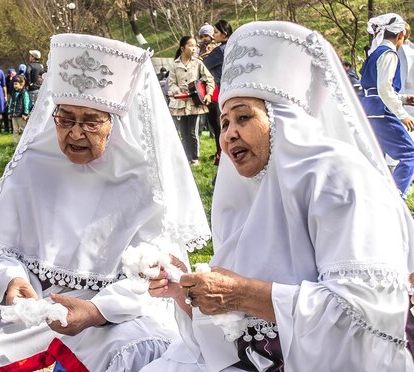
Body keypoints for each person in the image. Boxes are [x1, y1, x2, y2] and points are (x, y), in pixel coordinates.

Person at [142, 21, 414, 371]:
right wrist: (188, 293)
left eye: (243, 117)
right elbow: (239, 327)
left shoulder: (338, 176)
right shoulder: (246, 191)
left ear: (283, 119)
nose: (229, 136)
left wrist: (241, 294)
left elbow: (362, 319)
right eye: (224, 124)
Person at [0, 33, 210, 371]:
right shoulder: (33, 166)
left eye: (91, 121)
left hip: (117, 315)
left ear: (115, 123)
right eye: (65, 119)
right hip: (42, 309)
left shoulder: (145, 181)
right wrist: (12, 282)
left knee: (134, 350)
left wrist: (97, 311)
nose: (75, 134)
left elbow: (158, 273)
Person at [360, 14, 414, 198]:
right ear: (400, 35)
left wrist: (405, 99)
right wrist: (402, 114)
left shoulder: (374, 54)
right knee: (409, 154)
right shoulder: (389, 54)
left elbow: (374, 87)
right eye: (404, 39)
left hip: (368, 110)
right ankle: (396, 199)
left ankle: (373, 196)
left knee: (377, 159)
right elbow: (384, 88)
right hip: (381, 112)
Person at [167, 35, 215, 165]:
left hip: (195, 102)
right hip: (180, 103)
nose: (194, 48)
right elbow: (171, 83)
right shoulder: (174, 65)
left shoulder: (198, 63)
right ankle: (185, 158)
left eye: (195, 46)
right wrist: (178, 91)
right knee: (183, 132)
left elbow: (209, 79)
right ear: (183, 48)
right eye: (190, 45)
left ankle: (194, 158)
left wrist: (208, 94)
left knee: (193, 131)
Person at [203, 20, 233, 166]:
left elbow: (203, 66)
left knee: (218, 126)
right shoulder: (233, 47)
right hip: (229, 91)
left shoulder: (219, 51)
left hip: (217, 92)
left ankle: (220, 156)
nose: (213, 35)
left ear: (224, 34)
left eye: (215, 32)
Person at [7, 75, 30, 143]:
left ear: (22, 84)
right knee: (15, 129)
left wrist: (25, 113)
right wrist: (9, 112)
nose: (15, 86)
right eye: (14, 84)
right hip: (14, 114)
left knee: (22, 129)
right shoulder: (13, 93)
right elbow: (11, 103)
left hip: (21, 115)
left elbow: (26, 103)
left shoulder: (24, 93)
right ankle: (15, 141)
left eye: (16, 84)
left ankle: (23, 142)